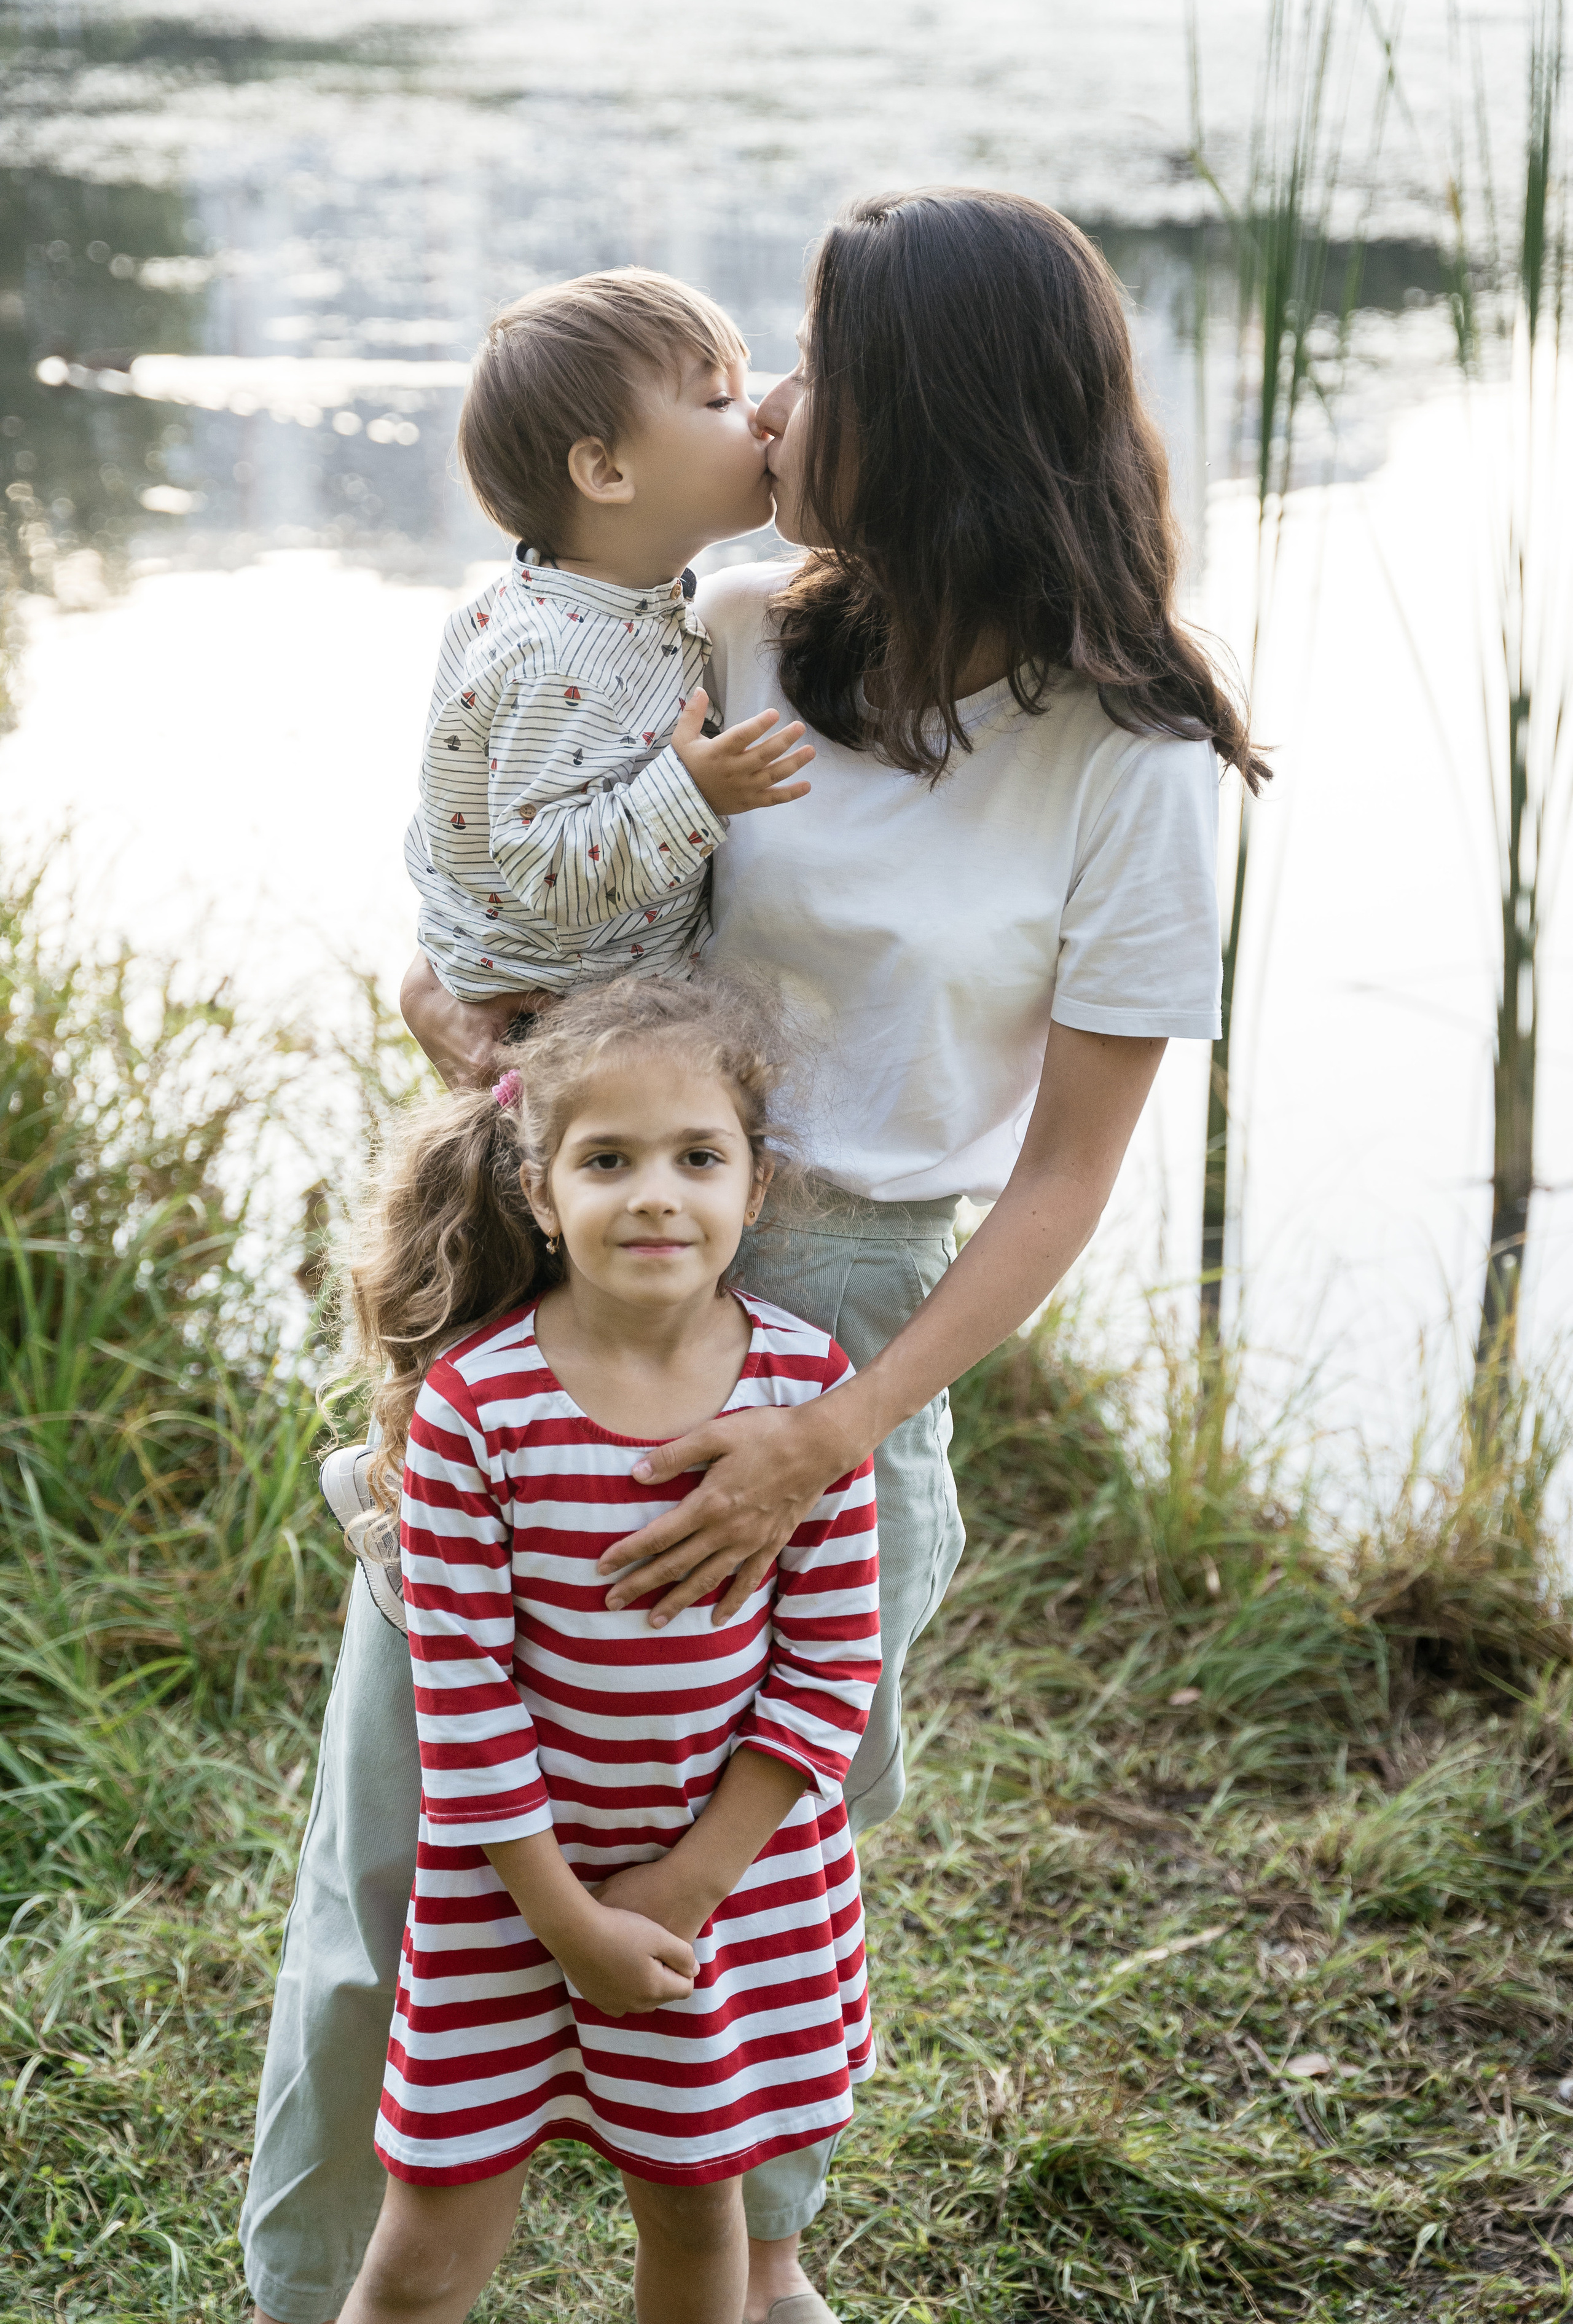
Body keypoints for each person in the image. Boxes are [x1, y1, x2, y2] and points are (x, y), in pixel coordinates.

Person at [243, 186, 1258, 2324]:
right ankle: (322, 2288)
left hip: (852, 1322)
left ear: (940, 415)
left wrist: (837, 1434)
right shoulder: (730, 625)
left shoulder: (1143, 765)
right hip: (575, 1277)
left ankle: (751, 2269)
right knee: (404, 1833)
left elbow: (1066, 1178)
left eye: (813, 365)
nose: (774, 408)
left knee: (749, 1869)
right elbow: (511, 868)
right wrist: (458, 1014)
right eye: (757, 372)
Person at [331, 971, 879, 2324]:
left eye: (699, 1157)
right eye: (609, 1160)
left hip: (719, 1888)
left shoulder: (805, 1395)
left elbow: (827, 1673)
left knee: (694, 2215)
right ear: (539, 1191)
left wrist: (687, 1885)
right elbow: (465, 1700)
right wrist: (567, 1919)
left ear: (756, 1187)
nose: (655, 1196)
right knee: (423, 2247)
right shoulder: (478, 1408)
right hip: (508, 1889)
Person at [401, 265, 813, 1075]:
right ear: (607, 473)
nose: (763, 417)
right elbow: (544, 866)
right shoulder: (562, 658)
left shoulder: (578, 611)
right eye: (719, 401)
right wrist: (694, 794)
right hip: (573, 1037)